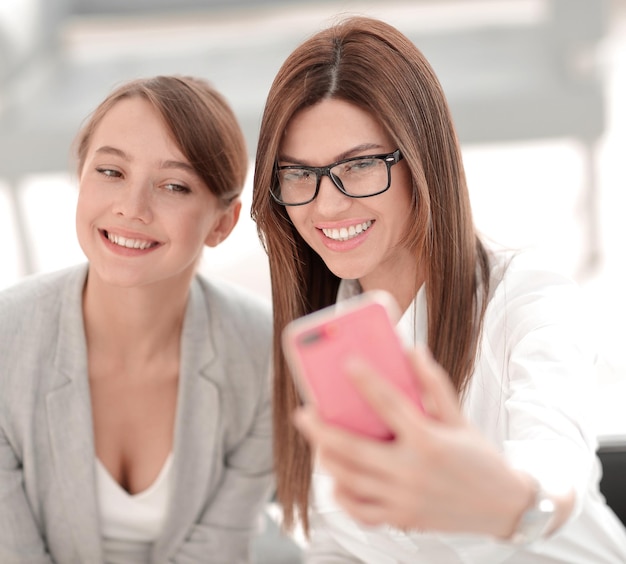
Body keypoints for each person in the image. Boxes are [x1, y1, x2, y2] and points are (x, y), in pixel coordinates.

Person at [251, 15, 626, 563]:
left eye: (358, 165)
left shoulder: (527, 300)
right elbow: (336, 546)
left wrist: (510, 501)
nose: (325, 205)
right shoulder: (321, 340)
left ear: (421, 160)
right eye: (298, 174)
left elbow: (557, 461)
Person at [0, 76, 273, 563]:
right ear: (79, 176)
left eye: (173, 185)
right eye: (110, 171)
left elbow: (219, 551)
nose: (131, 207)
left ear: (222, 223)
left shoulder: (261, 355)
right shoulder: (7, 342)